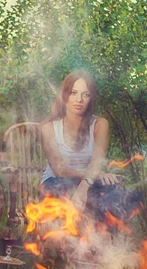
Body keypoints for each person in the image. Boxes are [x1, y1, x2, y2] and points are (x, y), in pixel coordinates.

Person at [40, 70, 139, 224]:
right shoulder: (49, 128)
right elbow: (59, 169)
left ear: (91, 99)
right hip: (56, 182)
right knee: (75, 192)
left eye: (86, 94)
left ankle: (103, 244)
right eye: (73, 93)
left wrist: (85, 185)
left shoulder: (100, 124)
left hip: (88, 181)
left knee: (121, 196)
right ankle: (81, 243)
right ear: (65, 95)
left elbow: (96, 161)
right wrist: (95, 176)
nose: (79, 99)